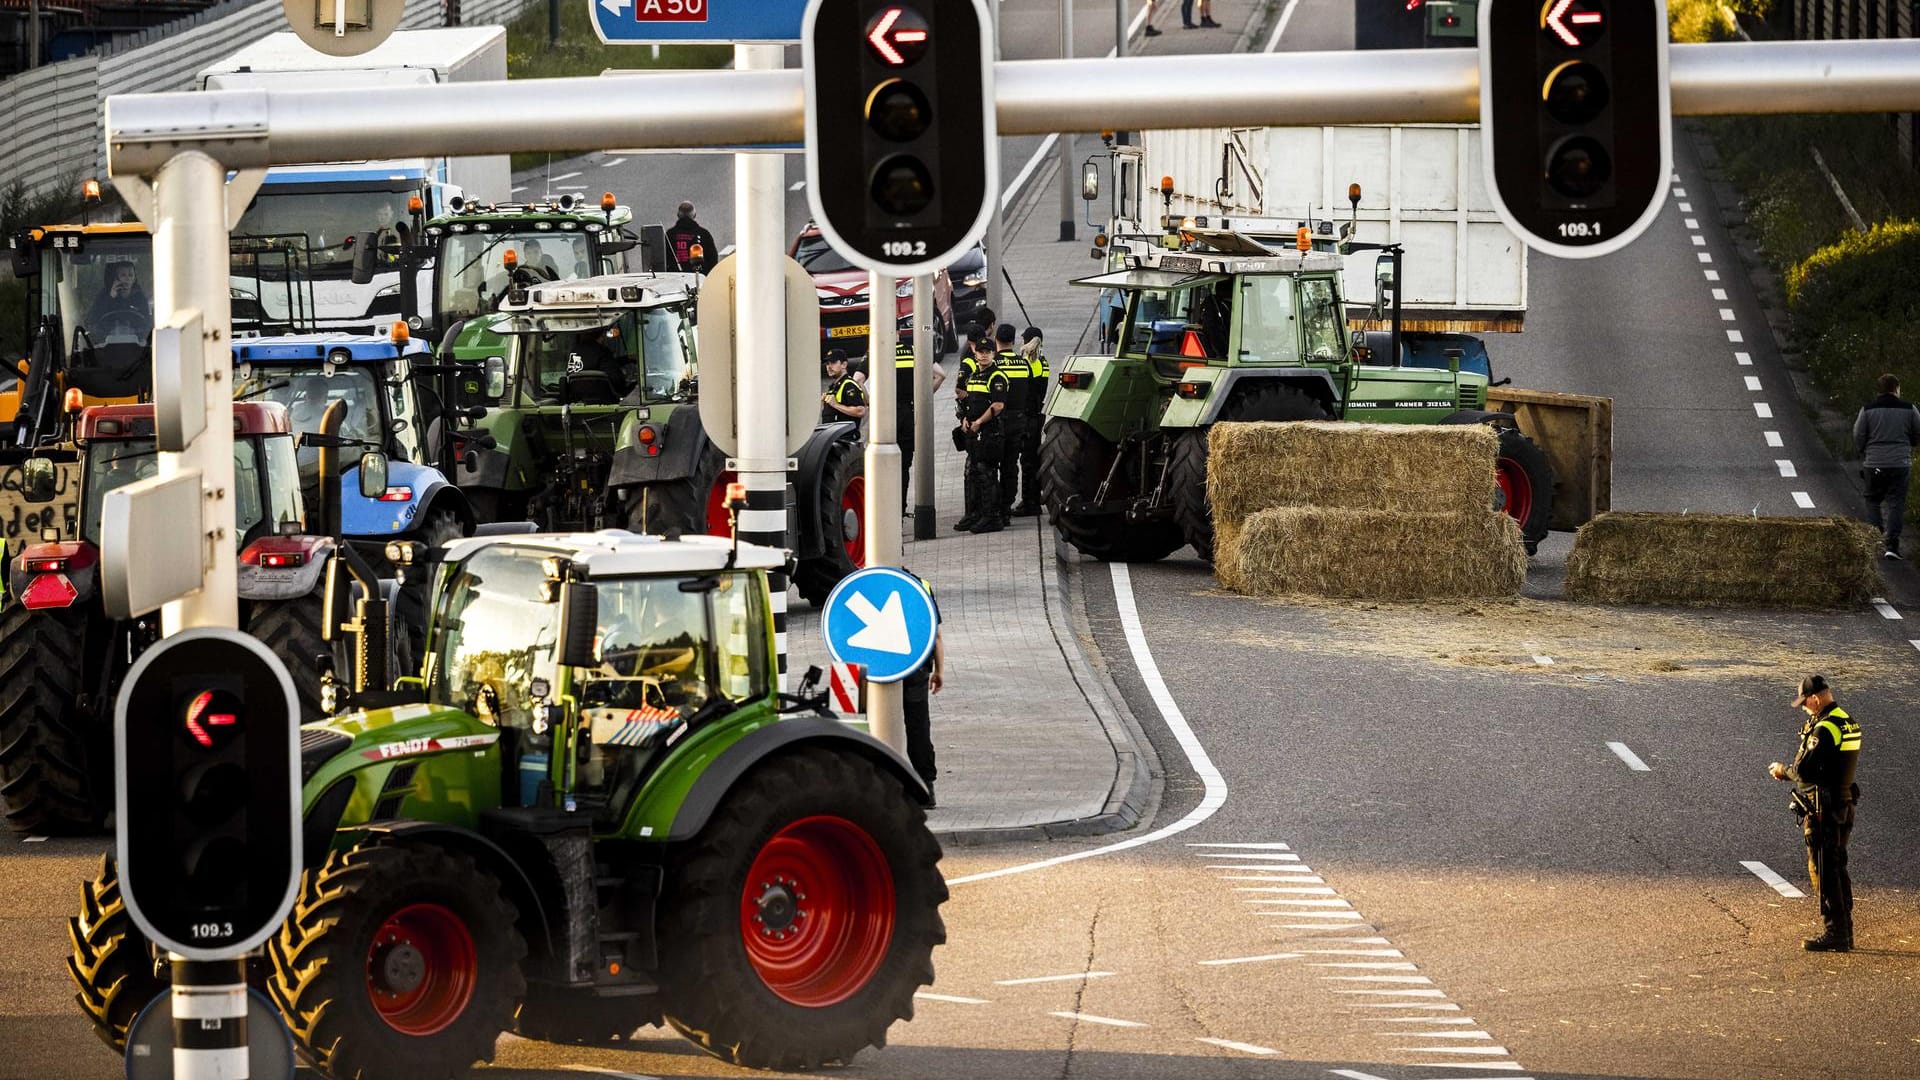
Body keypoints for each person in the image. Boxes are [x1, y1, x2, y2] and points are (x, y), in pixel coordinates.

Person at [1768, 674, 1863, 952]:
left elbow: (1803, 770)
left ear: (1817, 697)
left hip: (1824, 808)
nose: (1805, 708)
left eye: (1806, 703)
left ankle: (1836, 933)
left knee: (1824, 869)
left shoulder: (1825, 728)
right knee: (1837, 866)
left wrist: (1782, 770)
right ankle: (1845, 930)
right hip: (1844, 803)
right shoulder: (1848, 721)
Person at [1852, 373, 1920, 559]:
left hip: (1875, 465)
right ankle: (1892, 545)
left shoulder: (1867, 410)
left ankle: (1876, 537)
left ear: (1879, 390)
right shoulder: (1910, 409)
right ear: (1896, 389)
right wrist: (1910, 444)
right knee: (1896, 502)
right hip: (1900, 464)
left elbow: (1858, 435)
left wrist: (1863, 451)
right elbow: (1917, 433)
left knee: (1873, 500)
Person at [956, 338, 1010, 533]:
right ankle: (974, 514)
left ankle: (992, 517)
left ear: (993, 354)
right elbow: (967, 401)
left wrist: (979, 422)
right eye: (981, 351)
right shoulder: (973, 376)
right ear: (975, 354)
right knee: (972, 473)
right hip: (974, 433)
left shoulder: (997, 376)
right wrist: (965, 419)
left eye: (988, 351)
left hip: (990, 432)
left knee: (986, 474)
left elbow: (998, 405)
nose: (984, 354)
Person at [900, 572, 945, 800]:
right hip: (914, 668)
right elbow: (935, 635)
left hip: (874, 669)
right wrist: (939, 671)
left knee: (874, 725)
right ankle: (926, 789)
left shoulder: (866, 581)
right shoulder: (919, 584)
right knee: (918, 726)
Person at [895, 337, 947, 515]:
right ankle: (901, 509)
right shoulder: (913, 350)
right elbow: (941, 374)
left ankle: (889, 511)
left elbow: (858, 380)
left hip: (888, 417)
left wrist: (872, 404)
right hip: (909, 414)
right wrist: (923, 396)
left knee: (885, 464)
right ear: (899, 332)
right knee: (904, 465)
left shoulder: (878, 353)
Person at [991, 323, 1032, 517]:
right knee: (1010, 465)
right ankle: (1007, 507)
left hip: (996, 421)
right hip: (1018, 420)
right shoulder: (1023, 364)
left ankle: (994, 507)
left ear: (996, 340)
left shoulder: (992, 364)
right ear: (1014, 342)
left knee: (991, 466)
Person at [1013, 327, 1050, 516]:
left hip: (1024, 416)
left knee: (1025, 461)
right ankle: (1033, 499)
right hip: (1037, 416)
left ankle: (1029, 503)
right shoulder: (1044, 363)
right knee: (1033, 460)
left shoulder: (1024, 363)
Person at [89, 262, 149, 330]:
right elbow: (94, 319)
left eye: (131, 275)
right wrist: (110, 297)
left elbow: (147, 323)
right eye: (123, 275)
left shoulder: (140, 298)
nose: (127, 278)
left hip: (135, 338)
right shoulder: (103, 296)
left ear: (134, 279)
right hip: (107, 338)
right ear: (116, 278)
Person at [665, 201, 718, 275]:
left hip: (674, 279)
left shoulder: (669, 235)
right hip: (699, 277)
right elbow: (713, 260)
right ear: (694, 215)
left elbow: (662, 259)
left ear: (678, 215)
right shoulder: (704, 234)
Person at [820, 349, 868, 427]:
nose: (829, 367)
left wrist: (835, 405)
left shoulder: (849, 385)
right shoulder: (835, 386)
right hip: (832, 435)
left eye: (833, 363)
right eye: (827, 364)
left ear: (844, 364)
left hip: (845, 437)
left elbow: (860, 411)